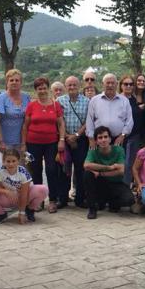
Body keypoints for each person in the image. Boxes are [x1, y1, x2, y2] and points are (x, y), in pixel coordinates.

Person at [22, 77, 66, 213]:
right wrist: (23, 144)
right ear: (36, 90)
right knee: (36, 170)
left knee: (51, 170)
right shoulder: (31, 105)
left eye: (44, 88)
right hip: (32, 143)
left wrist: (62, 140)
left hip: (51, 143)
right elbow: (25, 126)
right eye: (39, 88)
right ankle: (38, 200)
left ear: (48, 89)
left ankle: (52, 200)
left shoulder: (55, 105)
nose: (42, 90)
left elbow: (60, 124)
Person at [0, 149, 49, 225]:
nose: (11, 164)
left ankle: (29, 210)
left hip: (23, 196)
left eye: (14, 161)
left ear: (18, 161)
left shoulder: (23, 172)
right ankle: (1, 214)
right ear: (3, 161)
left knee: (43, 189)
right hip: (7, 198)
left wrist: (22, 213)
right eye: (8, 161)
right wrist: (6, 191)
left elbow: (24, 194)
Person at [82, 126, 135, 219]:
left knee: (129, 200)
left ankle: (111, 202)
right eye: (100, 138)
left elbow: (121, 171)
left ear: (110, 139)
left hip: (115, 183)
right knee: (87, 174)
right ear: (96, 141)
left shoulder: (119, 150)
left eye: (106, 137)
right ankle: (92, 209)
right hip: (100, 183)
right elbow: (86, 165)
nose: (103, 140)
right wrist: (110, 167)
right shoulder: (93, 151)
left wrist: (101, 172)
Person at [57, 76, 90, 207]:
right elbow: (58, 121)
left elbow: (88, 120)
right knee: (64, 170)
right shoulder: (60, 101)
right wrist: (66, 137)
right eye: (69, 85)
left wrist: (76, 135)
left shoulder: (87, 101)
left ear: (79, 85)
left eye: (74, 85)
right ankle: (63, 199)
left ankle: (80, 199)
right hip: (64, 140)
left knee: (80, 170)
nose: (71, 87)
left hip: (80, 140)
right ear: (65, 86)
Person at [85, 73, 133, 148]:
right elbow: (89, 121)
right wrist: (91, 139)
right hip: (99, 140)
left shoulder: (124, 100)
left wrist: (122, 135)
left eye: (112, 83)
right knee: (99, 160)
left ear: (117, 84)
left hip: (118, 139)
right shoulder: (94, 100)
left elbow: (129, 121)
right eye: (108, 83)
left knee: (119, 160)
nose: (110, 85)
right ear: (102, 84)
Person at [0, 69, 31, 156]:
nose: (14, 82)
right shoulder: (0, 99)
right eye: (11, 80)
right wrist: (0, 141)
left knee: (21, 167)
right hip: (5, 142)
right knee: (5, 167)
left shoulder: (26, 98)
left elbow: (27, 119)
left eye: (17, 80)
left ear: (21, 82)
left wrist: (24, 142)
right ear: (7, 82)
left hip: (21, 141)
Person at [119, 74, 145, 186]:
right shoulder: (118, 99)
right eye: (126, 84)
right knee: (121, 163)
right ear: (121, 86)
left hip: (135, 136)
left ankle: (126, 187)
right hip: (122, 136)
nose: (129, 86)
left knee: (131, 164)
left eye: (131, 84)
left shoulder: (134, 99)